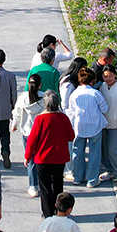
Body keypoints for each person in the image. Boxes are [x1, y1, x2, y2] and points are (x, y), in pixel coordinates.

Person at [24, 91, 74, 219]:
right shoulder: (63, 118)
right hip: (59, 158)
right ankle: (59, 211)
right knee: (58, 185)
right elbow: (71, 136)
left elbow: (32, 140)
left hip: (43, 158)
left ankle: (47, 214)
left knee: (45, 188)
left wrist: (27, 156)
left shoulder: (40, 119)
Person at [65, 67, 109, 187]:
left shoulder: (74, 94)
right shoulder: (95, 93)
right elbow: (105, 109)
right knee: (94, 154)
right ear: (92, 80)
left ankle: (78, 177)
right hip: (95, 126)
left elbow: (71, 111)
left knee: (77, 153)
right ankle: (92, 179)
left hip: (79, 127)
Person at [93, 64, 117, 189]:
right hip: (104, 123)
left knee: (113, 150)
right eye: (105, 76)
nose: (108, 79)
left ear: (115, 74)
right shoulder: (102, 86)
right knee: (104, 149)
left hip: (116, 125)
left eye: (110, 76)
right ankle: (109, 171)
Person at [11, 73, 47, 199]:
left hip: (27, 132)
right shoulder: (44, 98)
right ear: (40, 85)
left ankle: (33, 185)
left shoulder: (23, 98)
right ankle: (44, 183)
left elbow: (17, 112)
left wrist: (14, 125)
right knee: (42, 158)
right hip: (42, 133)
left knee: (30, 158)